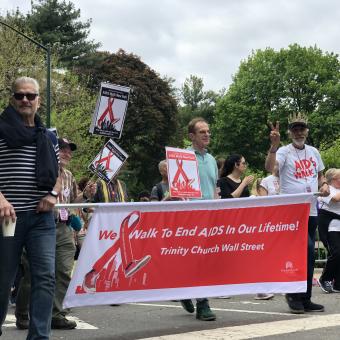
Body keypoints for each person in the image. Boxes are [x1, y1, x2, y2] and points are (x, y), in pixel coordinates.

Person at [0, 77, 59, 339]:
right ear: (13, 99)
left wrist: (53, 194)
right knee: (3, 281)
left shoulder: (48, 136)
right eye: (20, 95)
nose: (25, 100)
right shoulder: (1, 130)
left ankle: (39, 337)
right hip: (7, 219)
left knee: (45, 277)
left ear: (39, 100)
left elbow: (58, 171)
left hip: (41, 219)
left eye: (31, 96)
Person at [265, 112, 329, 314]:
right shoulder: (284, 151)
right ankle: (293, 294)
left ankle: (306, 297)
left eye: (302, 128)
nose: (299, 132)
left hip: (311, 209)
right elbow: (270, 168)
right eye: (295, 129)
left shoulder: (313, 152)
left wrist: (325, 184)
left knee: (309, 257)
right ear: (290, 132)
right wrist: (273, 147)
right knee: (307, 250)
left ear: (307, 131)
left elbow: (320, 176)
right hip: (291, 210)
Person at [15, 137, 79, 330]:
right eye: (63, 149)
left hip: (63, 228)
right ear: (52, 151)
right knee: (34, 274)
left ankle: (57, 314)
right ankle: (23, 312)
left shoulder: (69, 176)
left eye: (69, 150)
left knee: (64, 272)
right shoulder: (38, 169)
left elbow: (73, 202)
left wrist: (85, 198)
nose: (67, 153)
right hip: (40, 225)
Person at [180, 117, 219, 321]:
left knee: (205, 259)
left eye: (208, 131)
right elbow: (178, 189)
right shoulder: (183, 157)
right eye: (202, 131)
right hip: (191, 217)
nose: (207, 134)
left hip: (209, 216)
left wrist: (217, 211)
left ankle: (185, 291)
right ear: (191, 136)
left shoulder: (212, 159)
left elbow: (213, 189)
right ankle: (202, 303)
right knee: (197, 259)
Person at [250, 178, 275, 301]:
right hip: (254, 236)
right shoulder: (253, 199)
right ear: (260, 189)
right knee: (257, 263)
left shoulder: (266, 201)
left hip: (263, 234)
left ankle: (264, 289)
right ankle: (260, 291)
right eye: (265, 189)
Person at [317, 168, 340, 293]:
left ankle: (338, 283)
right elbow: (336, 199)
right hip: (330, 224)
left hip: (339, 223)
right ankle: (325, 278)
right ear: (333, 180)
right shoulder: (326, 190)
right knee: (336, 252)